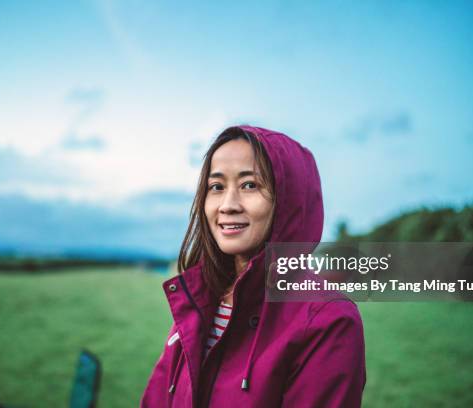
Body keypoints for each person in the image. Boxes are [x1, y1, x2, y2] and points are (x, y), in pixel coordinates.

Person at [141, 125, 366, 407]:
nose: (227, 205)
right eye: (217, 187)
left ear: (290, 200)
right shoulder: (199, 301)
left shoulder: (329, 320)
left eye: (250, 185)